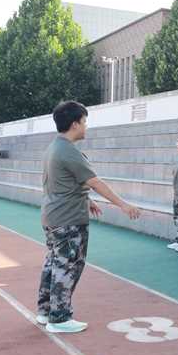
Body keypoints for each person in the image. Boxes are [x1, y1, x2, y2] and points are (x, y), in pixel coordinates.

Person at [37, 101, 141, 334]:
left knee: (53, 263)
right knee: (68, 265)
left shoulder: (54, 147)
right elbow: (95, 182)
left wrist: (87, 200)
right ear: (74, 124)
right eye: (84, 122)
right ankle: (59, 317)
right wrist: (123, 205)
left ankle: (45, 311)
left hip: (53, 215)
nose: (86, 127)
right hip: (68, 219)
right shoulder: (69, 151)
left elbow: (63, 182)